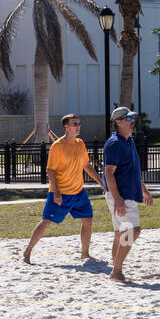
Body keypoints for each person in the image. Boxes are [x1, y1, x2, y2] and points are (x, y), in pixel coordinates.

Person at [22, 113, 107, 264]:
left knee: (87, 220)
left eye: (79, 124)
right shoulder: (58, 146)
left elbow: (86, 166)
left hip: (78, 192)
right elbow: (50, 170)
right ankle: (27, 252)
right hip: (61, 193)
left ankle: (85, 253)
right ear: (66, 127)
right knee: (46, 222)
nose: (78, 126)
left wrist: (102, 184)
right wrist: (56, 193)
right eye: (75, 124)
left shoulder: (80, 143)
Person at [102, 107, 154, 283]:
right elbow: (109, 173)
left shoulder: (128, 140)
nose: (132, 120)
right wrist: (118, 200)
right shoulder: (115, 143)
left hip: (127, 192)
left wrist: (144, 190)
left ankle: (116, 270)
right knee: (133, 230)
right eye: (128, 118)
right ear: (118, 121)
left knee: (120, 233)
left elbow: (132, 170)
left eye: (133, 117)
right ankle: (116, 271)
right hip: (121, 195)